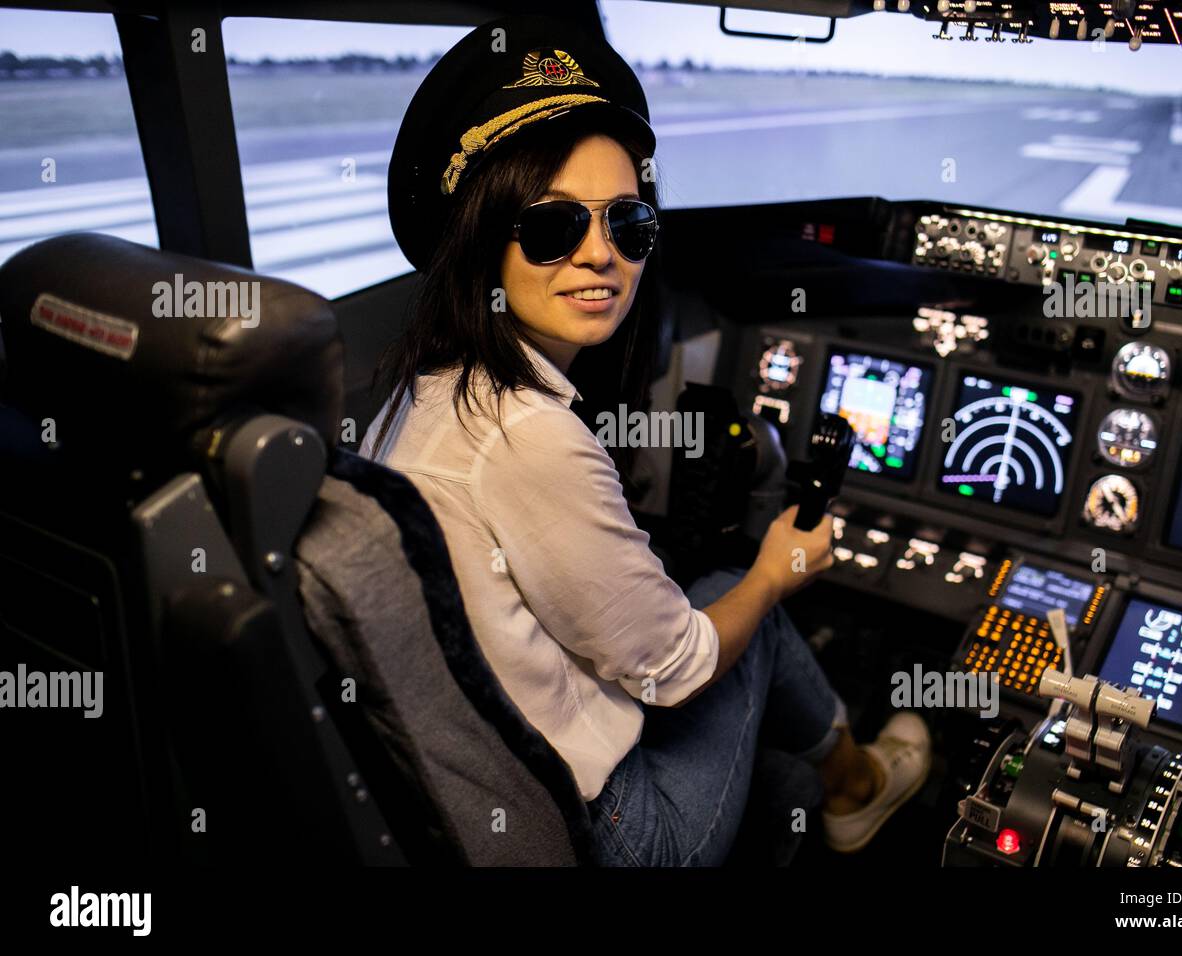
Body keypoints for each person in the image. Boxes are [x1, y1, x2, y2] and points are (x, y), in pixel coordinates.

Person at [363, 14, 930, 865]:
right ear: (482, 240)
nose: (602, 257)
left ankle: (814, 787)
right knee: (749, 598)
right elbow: (679, 670)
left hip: (488, 802)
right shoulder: (524, 436)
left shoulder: (422, 389)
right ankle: (859, 789)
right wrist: (779, 573)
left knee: (712, 587)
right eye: (554, 226)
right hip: (615, 837)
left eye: (627, 225)